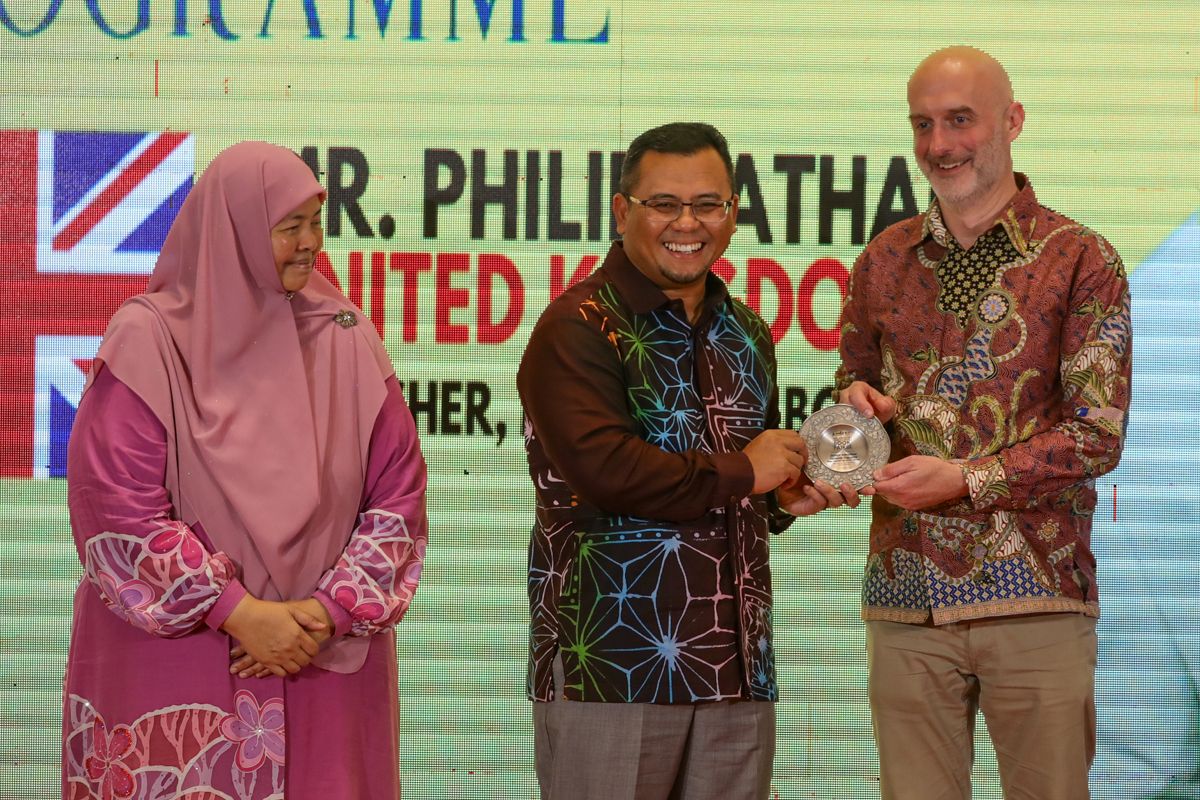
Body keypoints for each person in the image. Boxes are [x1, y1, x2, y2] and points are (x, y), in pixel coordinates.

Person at [62, 141, 428, 798]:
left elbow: (399, 493)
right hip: (184, 658)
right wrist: (238, 612)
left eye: (315, 222)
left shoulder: (346, 334)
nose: (310, 243)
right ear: (232, 230)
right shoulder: (149, 341)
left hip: (320, 658)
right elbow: (115, 504)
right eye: (289, 226)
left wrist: (327, 612)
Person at [518, 121, 855, 800]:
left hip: (738, 669)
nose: (687, 223)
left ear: (733, 213)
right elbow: (607, 471)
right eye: (664, 204)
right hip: (611, 665)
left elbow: (745, 477)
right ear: (622, 212)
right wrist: (746, 472)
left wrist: (779, 496)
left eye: (708, 204)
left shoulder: (747, 332)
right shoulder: (579, 326)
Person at [837, 46, 1132, 799]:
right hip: (904, 599)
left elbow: (1097, 434)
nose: (939, 144)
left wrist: (966, 479)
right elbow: (853, 391)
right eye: (923, 124)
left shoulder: (1081, 258)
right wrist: (857, 409)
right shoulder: (882, 260)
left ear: (1013, 121)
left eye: (960, 120)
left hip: (1036, 596)